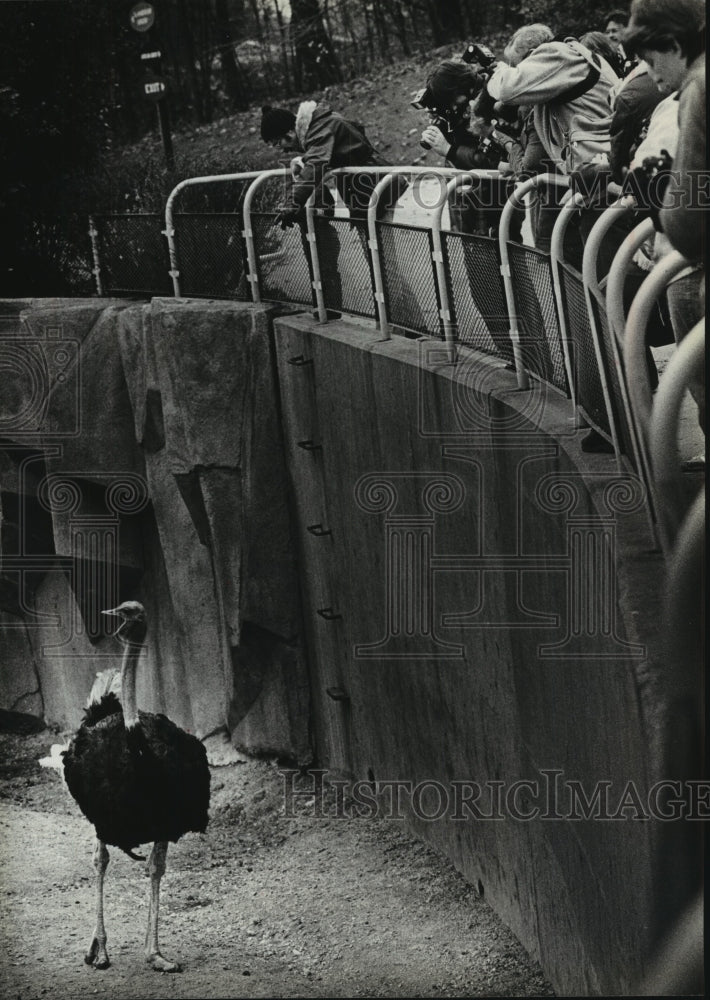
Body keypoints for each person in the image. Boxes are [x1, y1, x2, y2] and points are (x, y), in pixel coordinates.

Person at [623, 0, 706, 439]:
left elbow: (689, 224)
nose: (650, 75)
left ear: (674, 44)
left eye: (651, 61)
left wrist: (659, 197)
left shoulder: (697, 88)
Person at [260, 102, 399, 315]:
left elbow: (316, 164)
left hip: (374, 193)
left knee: (384, 268)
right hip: (367, 195)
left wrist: (292, 202)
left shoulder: (320, 129)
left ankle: (407, 326)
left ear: (290, 132)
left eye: (279, 143)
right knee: (381, 264)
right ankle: (402, 323)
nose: (283, 150)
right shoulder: (322, 126)